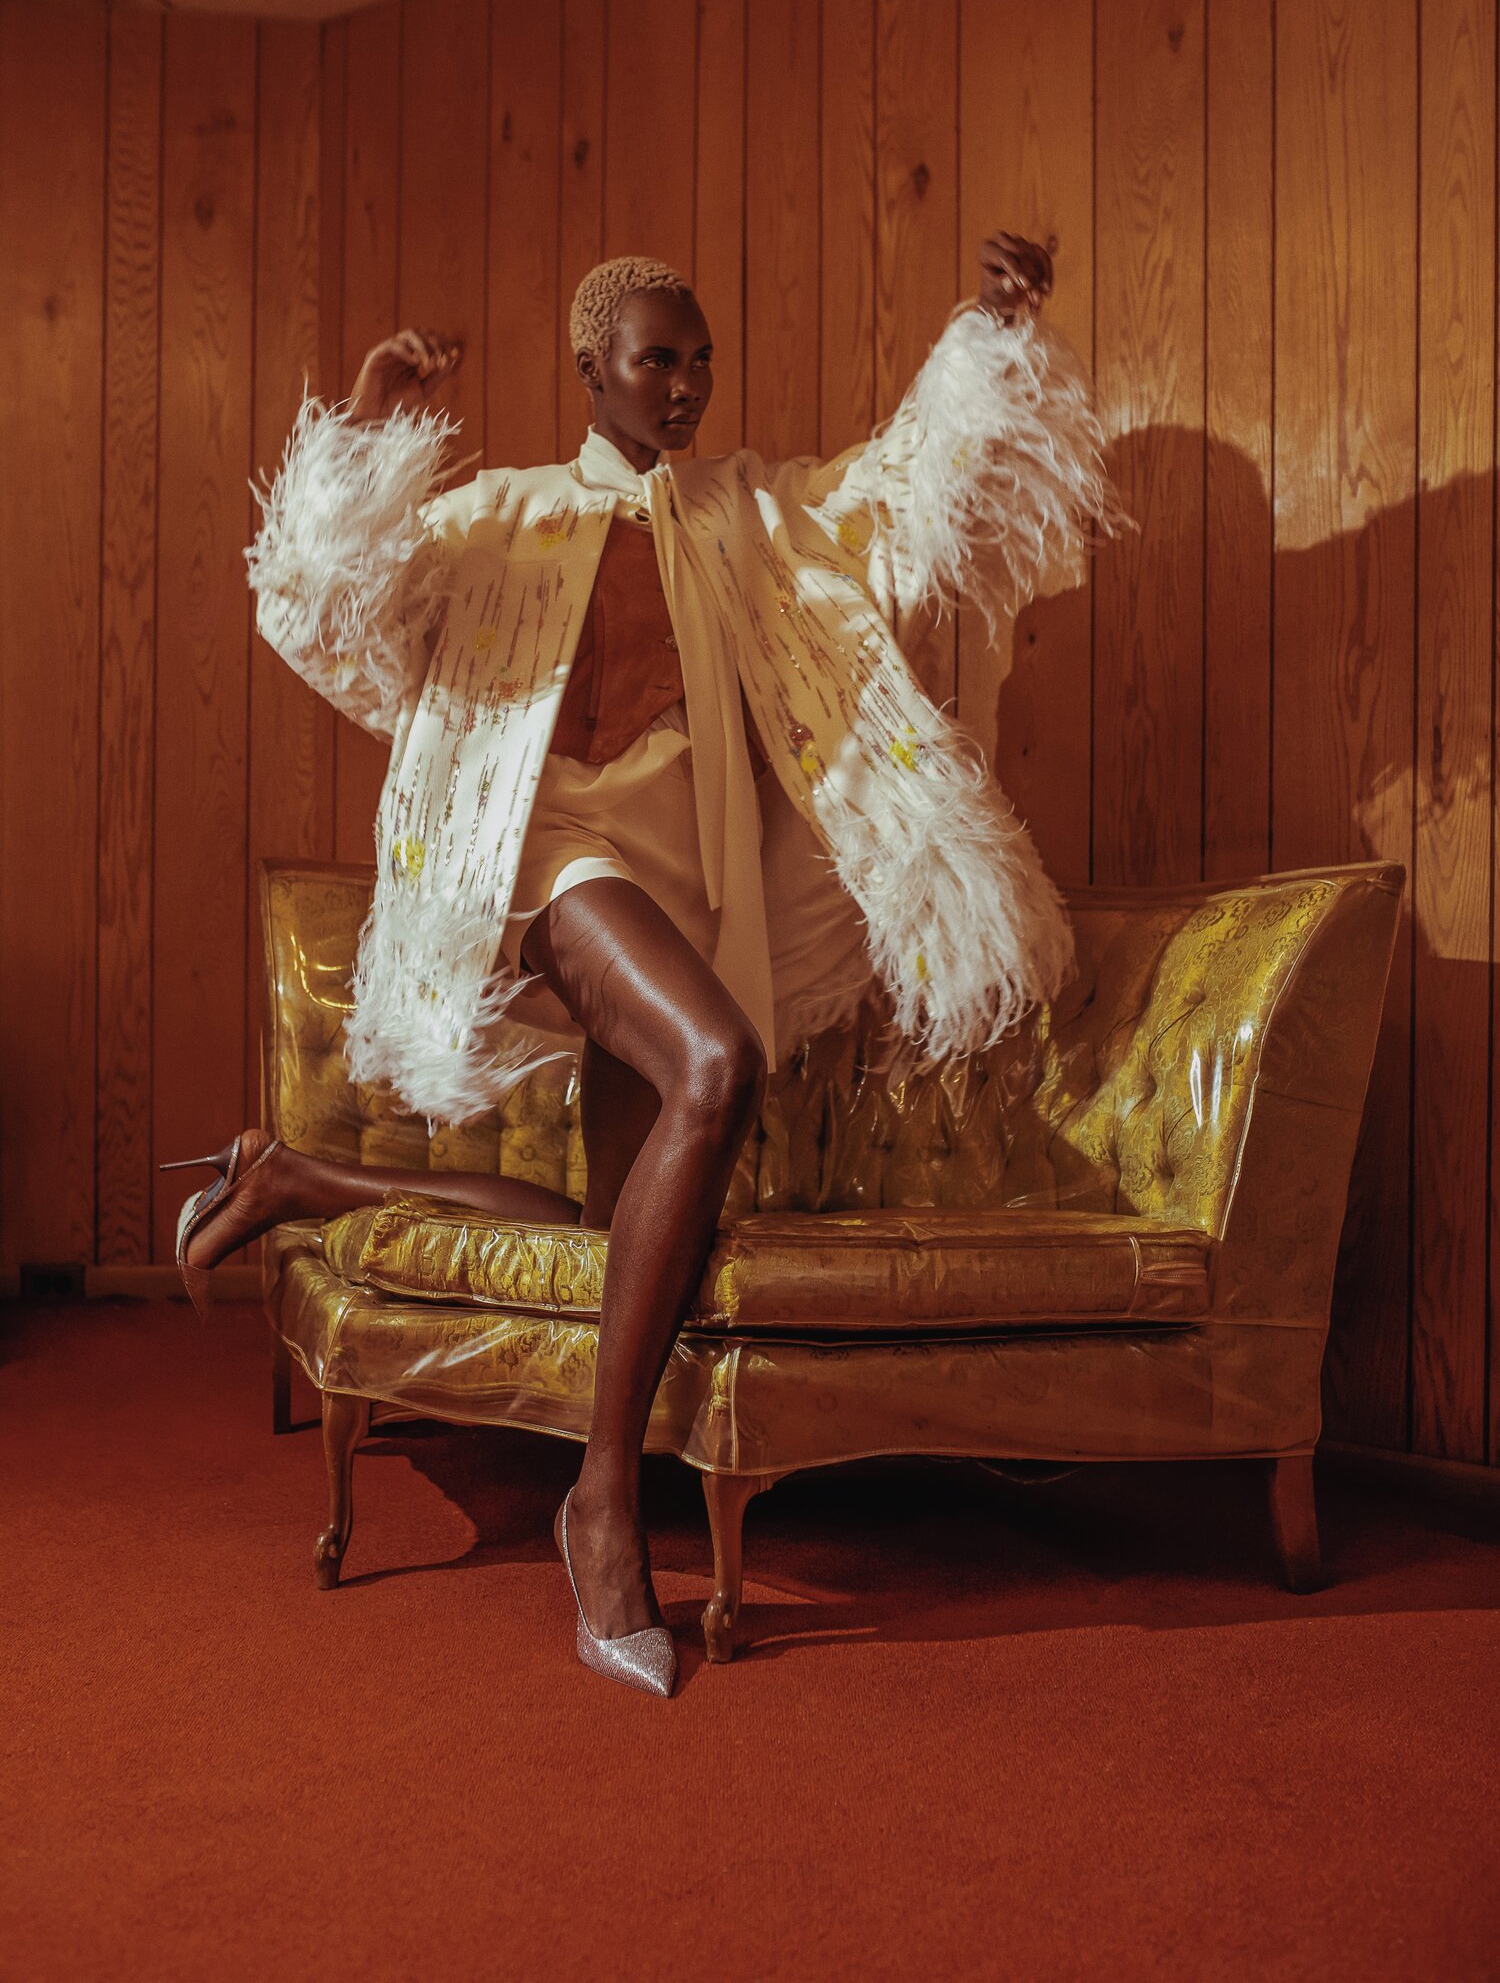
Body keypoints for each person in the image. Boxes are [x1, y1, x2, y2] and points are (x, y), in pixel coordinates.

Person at [163, 233, 1119, 1696]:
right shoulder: (504, 514)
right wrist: (364, 425)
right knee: (719, 1060)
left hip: (688, 882)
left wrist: (988, 335)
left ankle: (293, 1179)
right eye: (655, 359)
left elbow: (903, 485)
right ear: (591, 369)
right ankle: (603, 1499)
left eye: (700, 360)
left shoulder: (749, 510)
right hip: (553, 854)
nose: (683, 384)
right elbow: (320, 600)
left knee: (614, 1242)